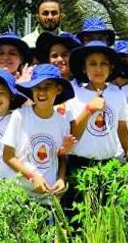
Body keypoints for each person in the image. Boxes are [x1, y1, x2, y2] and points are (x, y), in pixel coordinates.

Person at [5, 64, 76, 199]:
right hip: (21, 196)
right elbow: (8, 156)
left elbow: (61, 157)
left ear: (58, 89)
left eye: (48, 86)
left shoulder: (62, 122)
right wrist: (32, 176)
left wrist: (61, 178)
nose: (42, 92)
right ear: (31, 90)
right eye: (37, 87)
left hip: (48, 195)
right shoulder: (20, 116)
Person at [65, 41, 128, 177]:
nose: (98, 69)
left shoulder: (118, 94)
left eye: (103, 63)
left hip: (109, 164)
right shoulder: (75, 95)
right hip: (79, 165)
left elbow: (122, 128)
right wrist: (89, 109)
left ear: (110, 68)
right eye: (92, 64)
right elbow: (73, 134)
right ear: (84, 68)